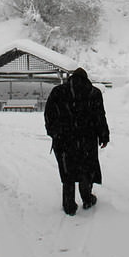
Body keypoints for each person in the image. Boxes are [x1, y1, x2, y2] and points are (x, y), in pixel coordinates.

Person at [44, 67, 109, 215]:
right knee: (86, 169)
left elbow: (49, 114)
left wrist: (54, 132)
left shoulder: (58, 92)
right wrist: (104, 136)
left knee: (67, 172)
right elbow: (100, 117)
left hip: (64, 140)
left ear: (71, 79)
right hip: (87, 139)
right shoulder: (94, 93)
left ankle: (69, 206)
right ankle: (87, 198)